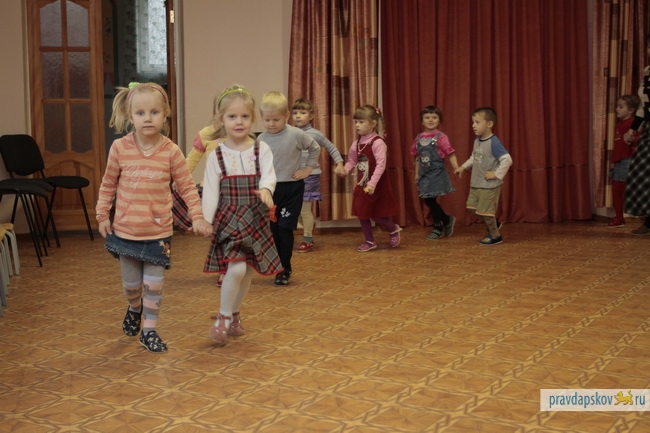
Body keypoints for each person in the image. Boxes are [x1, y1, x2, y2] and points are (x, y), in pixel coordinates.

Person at [96, 82, 213, 353]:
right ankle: (134, 308)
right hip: (125, 232)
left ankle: (149, 330)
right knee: (131, 286)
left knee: (154, 285)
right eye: (140, 113)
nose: (147, 118)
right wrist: (102, 214)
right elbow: (108, 183)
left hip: (158, 233)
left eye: (154, 112)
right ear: (130, 116)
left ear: (165, 113)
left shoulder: (171, 151)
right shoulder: (119, 148)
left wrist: (197, 216)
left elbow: (187, 187)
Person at [202, 85, 282, 346]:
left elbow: (269, 175)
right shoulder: (216, 154)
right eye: (232, 116)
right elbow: (211, 190)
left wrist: (266, 190)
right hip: (229, 219)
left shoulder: (261, 149)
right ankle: (223, 317)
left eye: (244, 116)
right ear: (221, 119)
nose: (239, 122)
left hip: (254, 217)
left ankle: (235, 314)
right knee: (235, 268)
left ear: (252, 118)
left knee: (247, 271)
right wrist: (206, 219)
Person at [258, 91, 320, 285]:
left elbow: (315, 148)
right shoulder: (260, 140)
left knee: (285, 228)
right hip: (271, 190)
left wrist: (308, 169)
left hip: (292, 189)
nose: (271, 124)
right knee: (274, 230)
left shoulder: (296, 134)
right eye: (267, 120)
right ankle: (278, 266)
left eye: (276, 119)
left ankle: (285, 269)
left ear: (286, 116)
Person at [338, 105, 401, 252]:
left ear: (373, 123)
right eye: (356, 122)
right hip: (362, 185)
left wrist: (372, 184)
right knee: (362, 213)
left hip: (377, 185)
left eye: (361, 122)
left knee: (376, 214)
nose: (357, 125)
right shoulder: (356, 144)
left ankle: (393, 228)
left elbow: (381, 165)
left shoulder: (378, 143)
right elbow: (352, 161)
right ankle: (370, 241)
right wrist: (344, 171)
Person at [291, 98, 346, 252]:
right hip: (293, 177)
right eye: (295, 112)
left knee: (304, 210)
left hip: (310, 176)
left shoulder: (316, 134)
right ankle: (306, 227)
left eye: (302, 112)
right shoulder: (290, 132)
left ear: (311, 116)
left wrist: (340, 163)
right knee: (295, 210)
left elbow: (331, 147)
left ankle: (308, 239)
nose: (298, 116)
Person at [454, 107, 512, 245]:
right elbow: (474, 157)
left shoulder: (494, 142)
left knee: (486, 212)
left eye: (477, 122)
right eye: (473, 122)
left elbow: (507, 159)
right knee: (472, 208)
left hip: (489, 185)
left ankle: (495, 235)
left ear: (489, 124)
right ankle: (494, 223)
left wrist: (496, 174)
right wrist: (463, 167)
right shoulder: (477, 140)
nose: (473, 125)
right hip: (476, 183)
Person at [410, 105, 459, 239]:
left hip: (436, 173)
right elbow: (418, 157)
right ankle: (447, 219)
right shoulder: (418, 138)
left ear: (439, 121)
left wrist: (456, 167)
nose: (430, 120)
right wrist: (416, 174)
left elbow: (450, 152)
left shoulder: (441, 137)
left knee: (430, 200)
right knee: (428, 200)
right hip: (424, 174)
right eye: (427, 117)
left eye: (434, 117)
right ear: (422, 121)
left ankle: (438, 227)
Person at [624, 34, 650, 235]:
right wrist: (633, 129)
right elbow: (643, 106)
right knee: (641, 173)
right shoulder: (647, 71)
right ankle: (648, 221)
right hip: (648, 128)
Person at [608, 95, 641, 227]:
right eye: (617, 106)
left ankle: (620, 218)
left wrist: (633, 139)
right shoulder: (620, 124)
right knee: (617, 191)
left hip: (627, 161)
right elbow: (618, 146)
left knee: (620, 191)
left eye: (621, 107)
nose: (617, 109)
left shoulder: (633, 123)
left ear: (631, 110)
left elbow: (638, 140)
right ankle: (619, 218)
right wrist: (614, 161)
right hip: (620, 161)